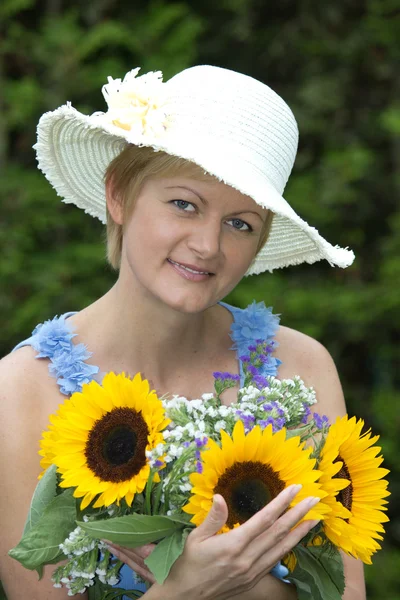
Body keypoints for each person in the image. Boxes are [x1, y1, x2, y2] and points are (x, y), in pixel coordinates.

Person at [0, 65, 366, 599]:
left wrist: (241, 585)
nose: (208, 245)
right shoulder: (18, 393)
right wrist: (183, 591)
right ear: (119, 194)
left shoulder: (301, 368)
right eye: (184, 205)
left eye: (240, 223)